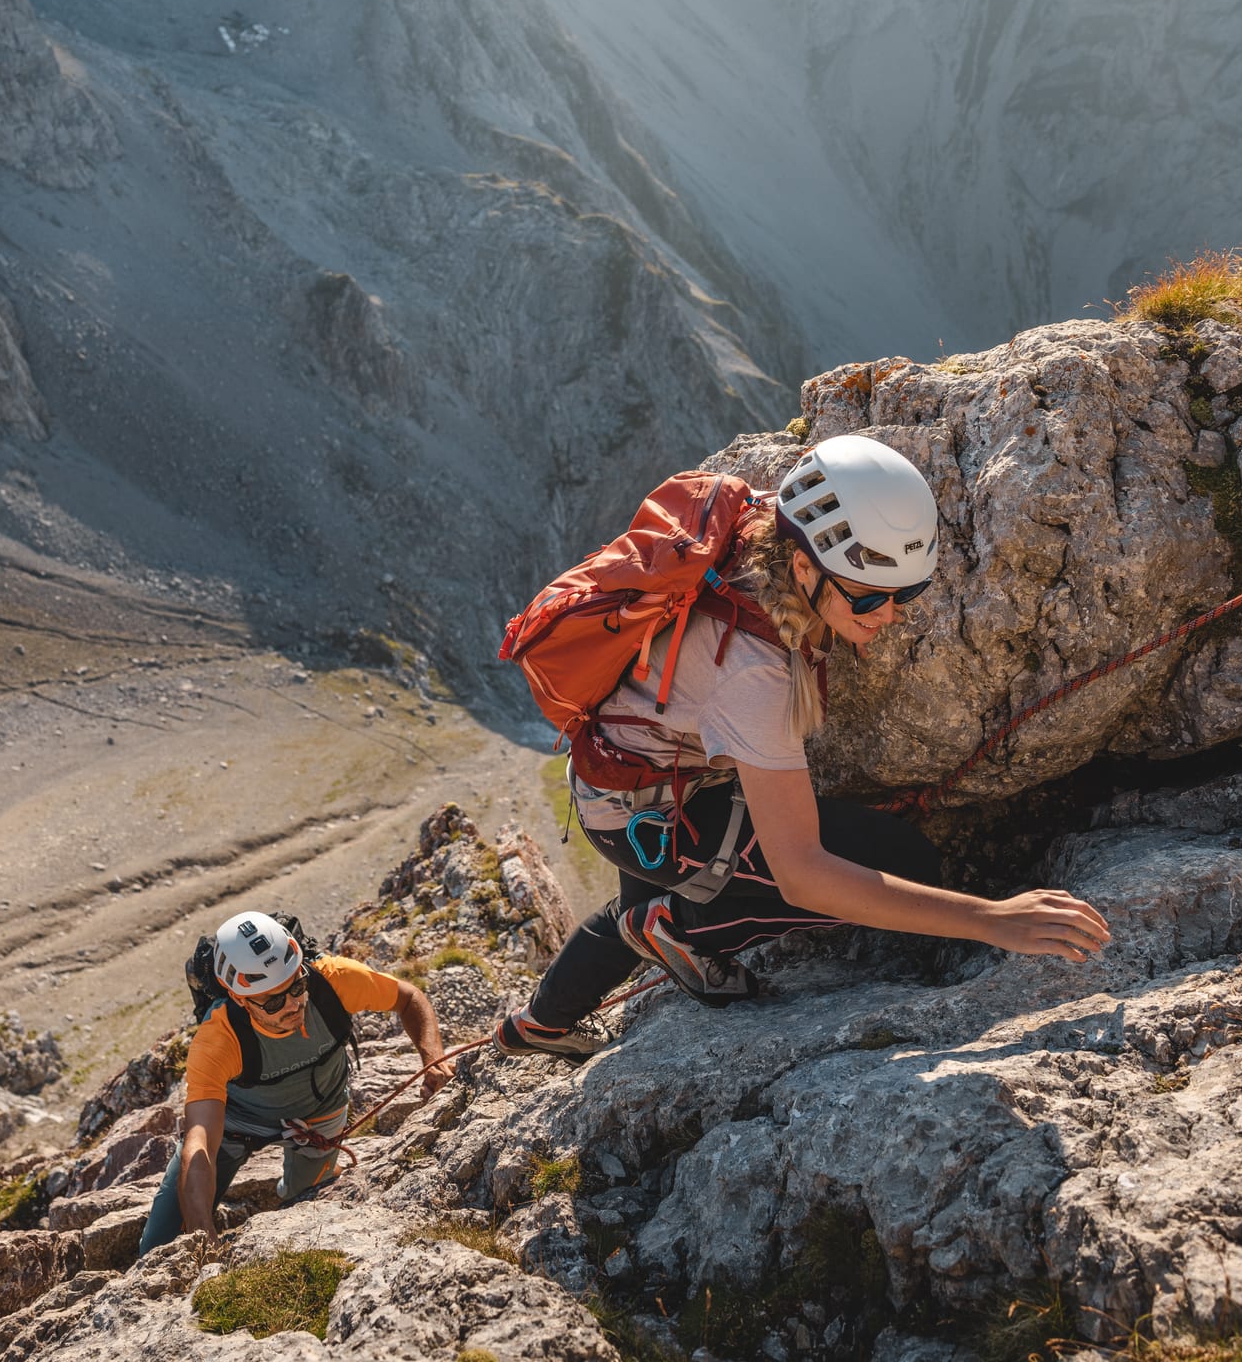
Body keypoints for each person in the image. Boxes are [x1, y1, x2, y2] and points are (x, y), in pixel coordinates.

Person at [494, 435, 1113, 1060]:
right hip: (650, 812)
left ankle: (536, 1026)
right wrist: (992, 920)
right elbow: (803, 876)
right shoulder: (755, 678)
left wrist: (855, 608)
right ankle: (683, 928)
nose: (890, 615)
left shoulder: (772, 528)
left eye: (906, 594)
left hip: (633, 779)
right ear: (804, 570)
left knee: (649, 897)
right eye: (868, 595)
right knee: (905, 865)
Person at [137, 909, 449, 1255]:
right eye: (272, 1000)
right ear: (240, 998)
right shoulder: (219, 1039)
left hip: (319, 1115)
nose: (293, 1004)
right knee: (158, 1243)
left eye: (297, 986)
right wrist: (200, 1237)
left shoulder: (333, 980)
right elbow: (200, 1146)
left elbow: (408, 998)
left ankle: (304, 1177)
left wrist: (432, 1059)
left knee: (306, 1218)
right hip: (236, 1122)